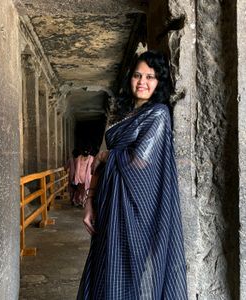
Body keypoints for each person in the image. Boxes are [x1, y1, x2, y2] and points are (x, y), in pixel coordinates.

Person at [77, 50, 188, 299]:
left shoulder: (158, 113)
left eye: (150, 77)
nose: (142, 82)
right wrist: (89, 201)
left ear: (159, 82)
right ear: (130, 78)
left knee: (129, 272)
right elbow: (97, 165)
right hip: (108, 203)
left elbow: (139, 161)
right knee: (104, 267)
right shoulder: (123, 114)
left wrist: (108, 156)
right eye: (138, 75)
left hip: (136, 208)